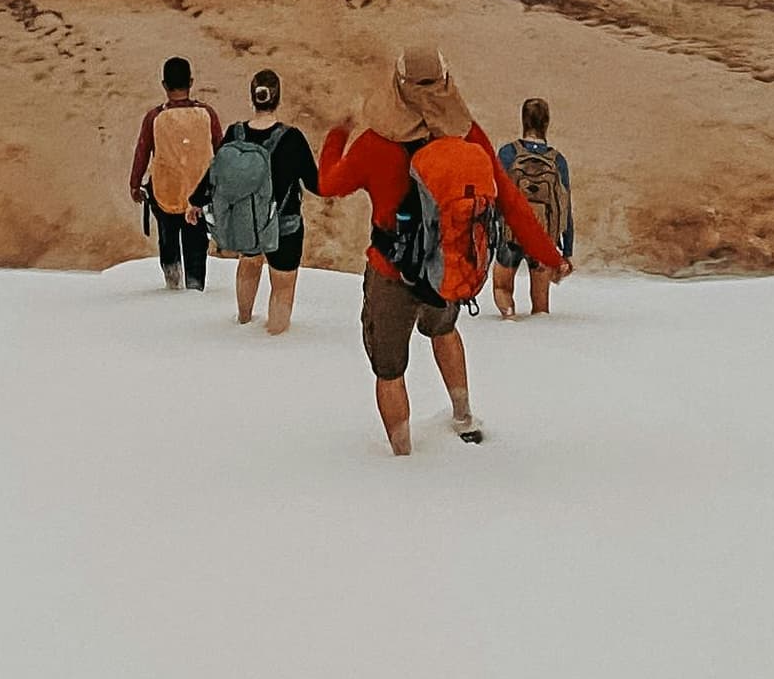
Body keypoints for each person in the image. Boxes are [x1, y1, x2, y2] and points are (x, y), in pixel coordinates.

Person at [312, 43, 564, 455]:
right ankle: (464, 416)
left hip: (390, 270)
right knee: (444, 331)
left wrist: (337, 134)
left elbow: (327, 185)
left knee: (390, 370)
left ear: (398, 87)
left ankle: (403, 456)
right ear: (447, 83)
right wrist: (552, 257)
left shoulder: (375, 143)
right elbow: (511, 203)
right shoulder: (468, 136)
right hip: (446, 266)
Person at [206, 69, 319, 336]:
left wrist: (195, 203)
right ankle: (275, 338)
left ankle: (243, 320)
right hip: (284, 225)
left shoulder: (235, 133)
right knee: (283, 283)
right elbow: (317, 185)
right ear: (278, 98)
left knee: (249, 264)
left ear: (252, 98)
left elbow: (214, 175)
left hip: (247, 222)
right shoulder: (293, 138)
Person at [127, 55, 220, 292]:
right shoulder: (207, 113)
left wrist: (135, 185)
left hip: (164, 191)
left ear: (164, 85)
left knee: (168, 238)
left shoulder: (155, 117)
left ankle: (172, 283)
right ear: (191, 81)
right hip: (199, 194)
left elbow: (142, 152)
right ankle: (195, 286)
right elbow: (221, 151)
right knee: (197, 242)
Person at [490, 96, 575, 317]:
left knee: (502, 287)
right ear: (547, 123)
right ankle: (539, 338)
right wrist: (566, 251)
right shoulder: (558, 161)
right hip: (543, 237)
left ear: (523, 121)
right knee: (541, 306)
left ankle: (509, 319)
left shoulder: (508, 153)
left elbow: (496, 196)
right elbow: (566, 208)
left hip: (511, 235)